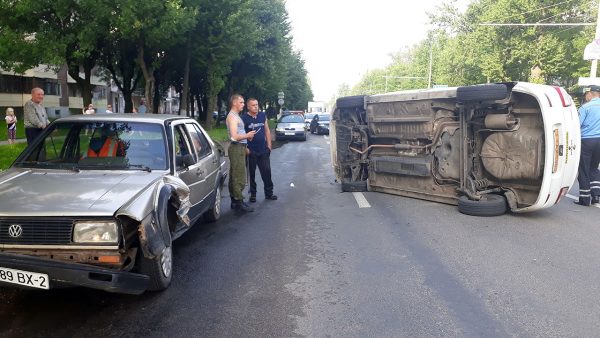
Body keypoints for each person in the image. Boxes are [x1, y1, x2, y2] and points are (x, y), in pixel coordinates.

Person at [242, 98, 277, 202]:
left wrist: (269, 146)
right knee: (252, 174)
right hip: (251, 151)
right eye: (253, 105)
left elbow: (266, 130)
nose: (256, 107)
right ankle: (253, 194)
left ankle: (269, 193)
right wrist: (246, 149)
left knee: (267, 172)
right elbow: (241, 135)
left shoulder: (262, 115)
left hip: (263, 150)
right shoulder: (243, 118)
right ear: (248, 107)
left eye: (257, 105)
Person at [226, 94, 257, 212]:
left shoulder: (235, 116)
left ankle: (235, 201)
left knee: (235, 174)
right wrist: (247, 135)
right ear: (234, 103)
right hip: (236, 147)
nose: (243, 105)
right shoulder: (233, 117)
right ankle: (238, 201)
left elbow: (238, 135)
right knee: (239, 176)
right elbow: (234, 137)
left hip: (240, 147)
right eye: (241, 102)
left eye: (243, 102)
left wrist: (245, 144)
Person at [575, 85, 600, 206]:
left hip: (586, 141)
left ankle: (584, 199)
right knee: (594, 168)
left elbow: (577, 125)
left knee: (584, 169)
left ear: (590, 94)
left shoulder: (585, 107)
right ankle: (596, 196)